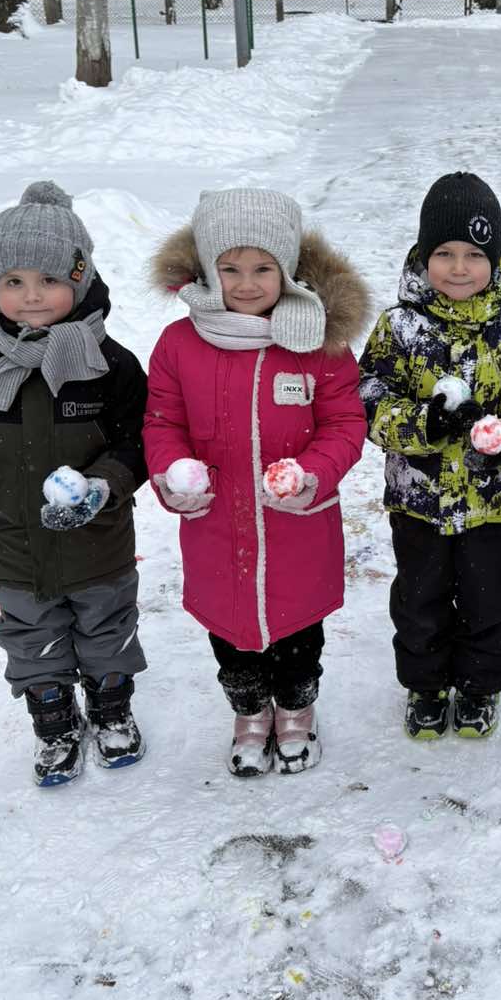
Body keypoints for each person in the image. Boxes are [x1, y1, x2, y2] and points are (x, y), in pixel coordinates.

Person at [0, 181, 148, 787]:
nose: (31, 297)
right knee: (31, 639)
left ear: (80, 279)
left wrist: (103, 485)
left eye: (48, 280)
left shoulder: (111, 365)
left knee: (107, 630)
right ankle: (53, 721)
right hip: (13, 547)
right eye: (12, 282)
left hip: (98, 544)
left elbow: (137, 441)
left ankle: (111, 706)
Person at [146, 188, 368, 777]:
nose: (246, 283)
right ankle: (249, 712)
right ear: (207, 269)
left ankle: (296, 709)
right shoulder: (179, 343)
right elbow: (162, 420)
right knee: (231, 636)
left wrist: (313, 474)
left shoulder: (318, 342)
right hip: (219, 525)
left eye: (263, 268)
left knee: (299, 635)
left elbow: (345, 420)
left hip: (297, 526)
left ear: (287, 270)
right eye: (231, 268)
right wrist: (174, 474)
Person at [359, 171, 501, 740]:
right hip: (418, 499)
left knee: (489, 598)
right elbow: (370, 398)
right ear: (423, 255)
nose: (457, 267)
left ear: (495, 259)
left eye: (474, 254)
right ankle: (425, 684)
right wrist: (422, 423)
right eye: (443, 253)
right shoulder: (398, 327)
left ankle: (479, 686)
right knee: (419, 597)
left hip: (492, 502)